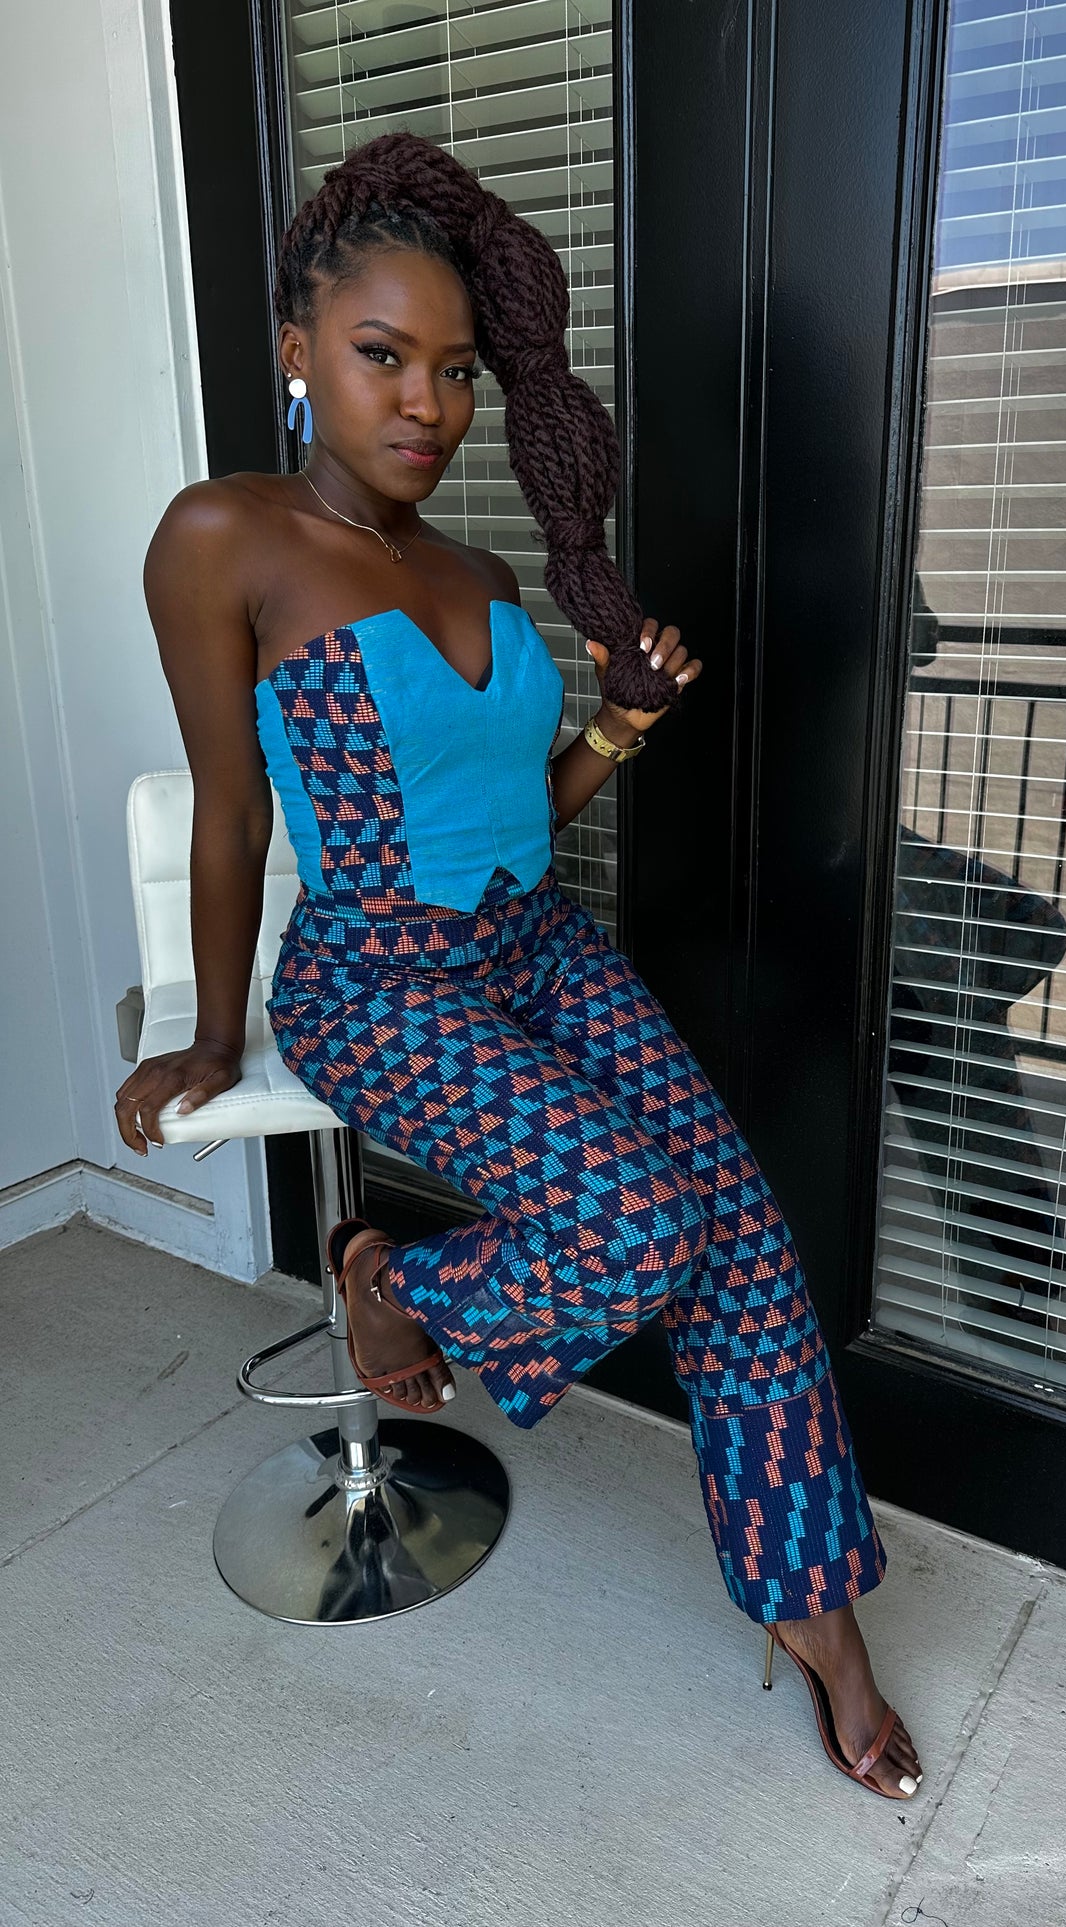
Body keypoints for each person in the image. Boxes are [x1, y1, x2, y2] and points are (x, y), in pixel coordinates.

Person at [114, 131, 921, 1801]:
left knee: (742, 1246)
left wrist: (618, 725)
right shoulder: (225, 534)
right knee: (636, 1226)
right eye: (382, 355)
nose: (426, 402)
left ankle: (816, 1613)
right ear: (297, 350)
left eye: (458, 370)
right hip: (378, 979)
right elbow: (232, 811)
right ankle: (390, 1279)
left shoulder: (478, 573)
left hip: (537, 947)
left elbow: (514, 816)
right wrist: (211, 1028)